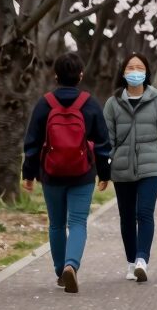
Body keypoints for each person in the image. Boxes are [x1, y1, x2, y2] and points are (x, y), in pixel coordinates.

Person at [22, 51, 111, 294]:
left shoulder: (45, 103)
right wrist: (104, 173)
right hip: (82, 173)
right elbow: (103, 143)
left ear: (55, 75)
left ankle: (60, 268)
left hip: (51, 173)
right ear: (80, 75)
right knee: (78, 222)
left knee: (57, 224)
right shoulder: (89, 103)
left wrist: (28, 174)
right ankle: (72, 265)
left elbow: (31, 143)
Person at [104, 54, 157, 282]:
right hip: (122, 166)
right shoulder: (113, 103)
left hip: (151, 166)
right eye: (130, 67)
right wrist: (103, 171)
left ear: (146, 72)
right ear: (123, 72)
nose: (135, 71)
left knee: (144, 212)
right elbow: (107, 140)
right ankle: (130, 261)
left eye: (139, 67)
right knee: (126, 216)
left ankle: (141, 260)